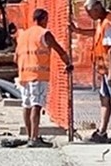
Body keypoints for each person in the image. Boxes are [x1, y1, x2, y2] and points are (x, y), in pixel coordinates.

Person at [70, 0, 111, 143]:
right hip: (106, 70)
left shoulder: (108, 24)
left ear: (97, 9)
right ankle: (102, 132)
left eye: (90, 13)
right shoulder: (103, 22)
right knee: (105, 98)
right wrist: (78, 30)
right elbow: (95, 32)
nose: (90, 16)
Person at [14, 8, 72, 148]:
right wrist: (68, 64)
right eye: (47, 19)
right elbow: (59, 50)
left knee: (26, 105)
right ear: (43, 19)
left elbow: (15, 57)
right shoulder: (44, 34)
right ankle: (35, 138)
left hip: (23, 75)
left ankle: (30, 136)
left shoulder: (23, 35)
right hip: (38, 75)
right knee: (36, 105)